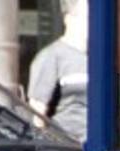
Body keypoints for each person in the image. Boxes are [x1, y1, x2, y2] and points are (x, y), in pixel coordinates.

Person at [27, 0, 89, 142]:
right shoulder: (50, 58)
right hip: (66, 148)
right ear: (69, 19)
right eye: (87, 18)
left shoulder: (98, 59)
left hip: (96, 147)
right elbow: (37, 114)